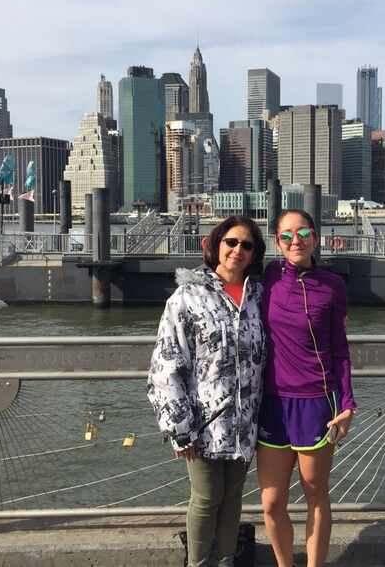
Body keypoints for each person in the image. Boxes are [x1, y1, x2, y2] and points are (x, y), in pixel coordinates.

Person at [148, 215, 267, 567]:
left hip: (245, 421)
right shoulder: (187, 297)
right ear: (215, 246)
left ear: (254, 254)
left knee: (233, 499)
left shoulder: (259, 297)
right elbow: (166, 366)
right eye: (231, 242)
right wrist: (180, 429)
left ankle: (226, 560)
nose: (237, 250)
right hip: (203, 423)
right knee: (205, 497)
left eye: (247, 245)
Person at [258, 209, 356, 567]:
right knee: (271, 503)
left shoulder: (333, 286)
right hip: (271, 403)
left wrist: (347, 402)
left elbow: (341, 348)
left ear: (315, 237)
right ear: (276, 242)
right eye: (286, 235)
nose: (294, 241)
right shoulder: (266, 277)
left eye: (302, 233)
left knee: (316, 493)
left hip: (317, 403)